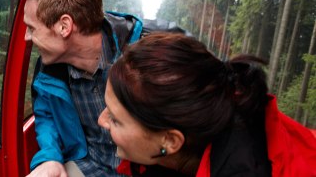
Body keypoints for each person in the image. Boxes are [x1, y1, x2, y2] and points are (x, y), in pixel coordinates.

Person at [98, 32, 316, 177]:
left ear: (170, 140)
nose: (101, 119)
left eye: (115, 119)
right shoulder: (172, 150)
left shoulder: (250, 167)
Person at [20, 0, 144, 177]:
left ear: (64, 26)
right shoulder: (49, 70)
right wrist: (50, 157)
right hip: (90, 163)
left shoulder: (145, 54)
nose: (26, 38)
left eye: (32, 28)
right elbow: (46, 114)